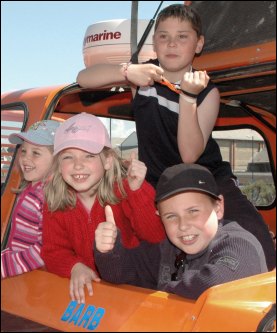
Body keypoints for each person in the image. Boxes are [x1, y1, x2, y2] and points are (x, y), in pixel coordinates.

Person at [76, 4, 275, 270]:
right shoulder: (142, 78)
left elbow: (189, 155)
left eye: (182, 36)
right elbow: (84, 78)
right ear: (155, 44)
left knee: (258, 239)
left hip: (210, 179)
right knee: (152, 254)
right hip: (159, 185)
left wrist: (188, 97)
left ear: (198, 44)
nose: (172, 43)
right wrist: (127, 71)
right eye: (163, 36)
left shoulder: (206, 92)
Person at [41, 112, 165, 304]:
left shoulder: (125, 191)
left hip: (134, 291)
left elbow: (156, 236)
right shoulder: (55, 202)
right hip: (92, 295)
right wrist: (74, 267)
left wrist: (137, 191)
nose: (78, 165)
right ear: (58, 165)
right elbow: (53, 251)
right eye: (68, 157)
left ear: (107, 161)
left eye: (89, 155)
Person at [94, 163, 268, 300]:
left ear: (218, 207)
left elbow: (215, 284)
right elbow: (120, 273)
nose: (183, 225)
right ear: (159, 217)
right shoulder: (166, 248)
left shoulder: (240, 243)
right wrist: (108, 250)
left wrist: (162, 289)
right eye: (171, 216)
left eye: (193, 211)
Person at [1, 120, 60, 279]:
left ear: (57, 158)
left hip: (36, 277)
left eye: (36, 153)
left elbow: (44, 249)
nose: (26, 159)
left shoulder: (48, 196)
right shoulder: (31, 188)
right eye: (23, 151)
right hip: (23, 269)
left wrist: (5, 266)